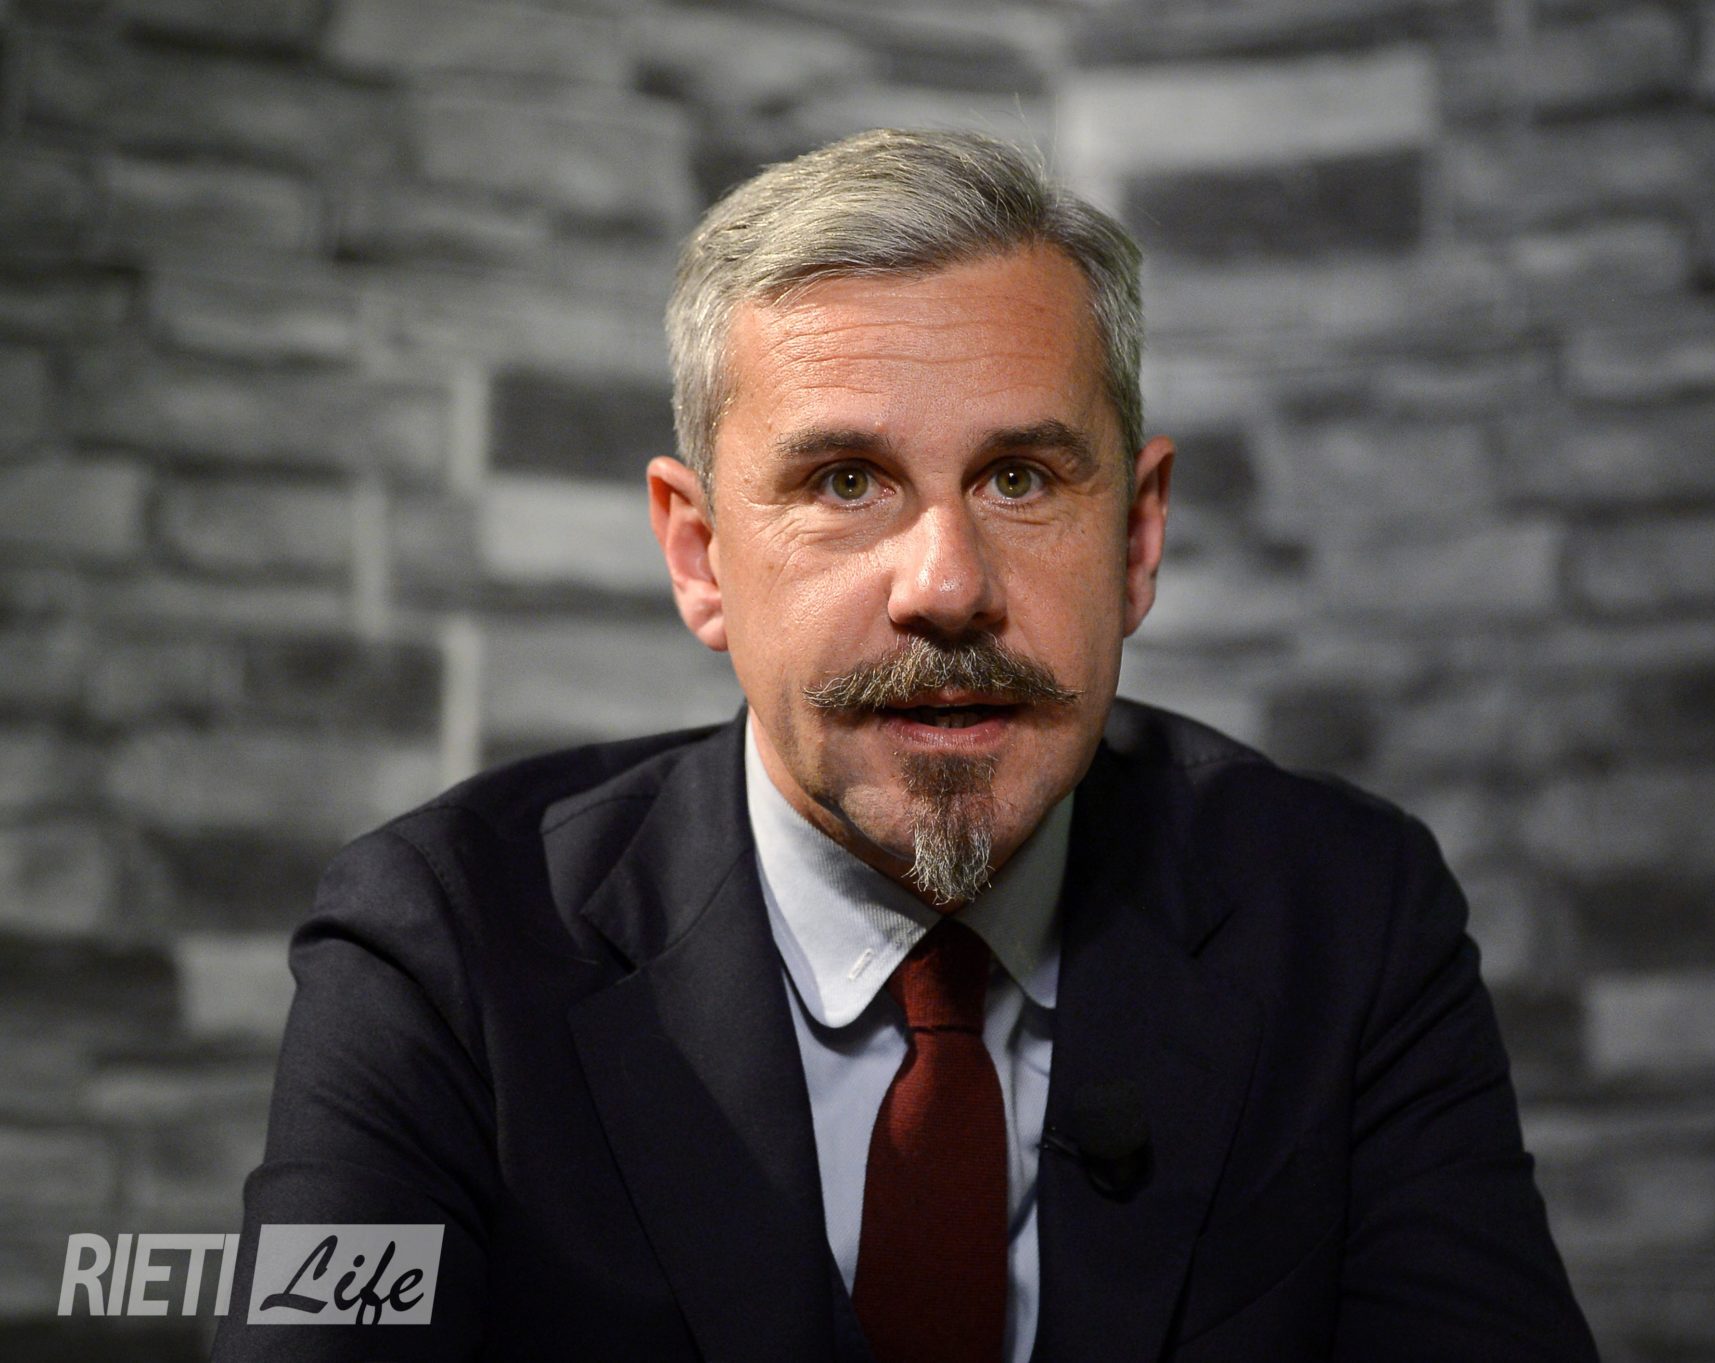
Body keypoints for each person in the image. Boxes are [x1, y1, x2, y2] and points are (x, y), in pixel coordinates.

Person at [212, 129, 1598, 1362]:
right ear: (699, 556)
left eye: (1020, 478)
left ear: (1136, 539)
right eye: (846, 482)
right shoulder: (439, 951)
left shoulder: (1346, 917)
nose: (946, 583)